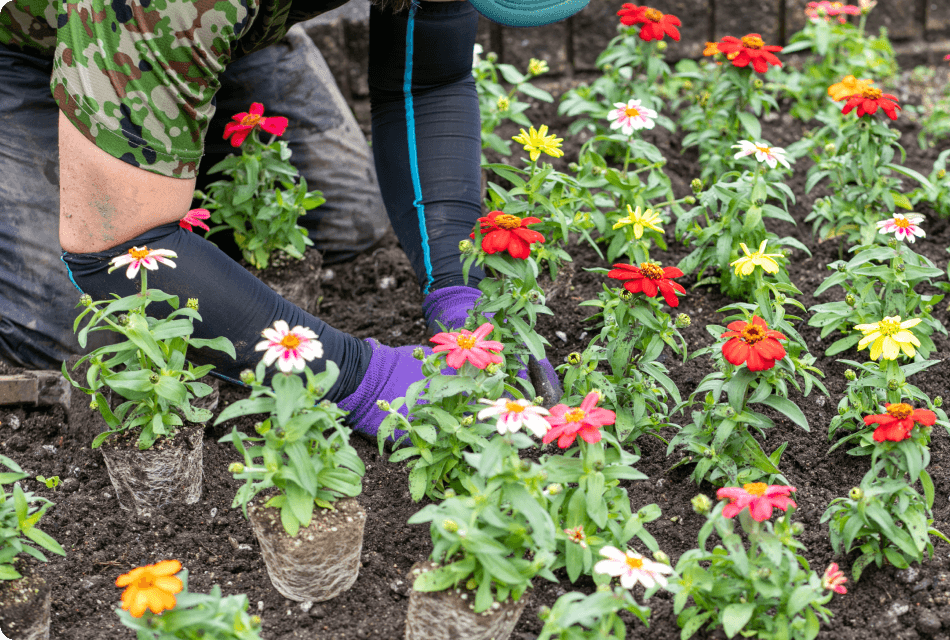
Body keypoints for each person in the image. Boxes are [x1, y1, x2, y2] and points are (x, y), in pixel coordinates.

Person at [0, 0, 585, 437]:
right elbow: (115, 248)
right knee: (86, 325)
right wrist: (363, 378)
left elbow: (428, 80)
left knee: (348, 221)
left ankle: (156, 127)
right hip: (26, 41)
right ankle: (134, 144)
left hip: (204, 28)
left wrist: (463, 290)